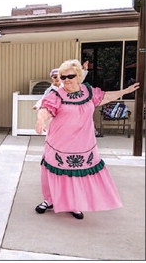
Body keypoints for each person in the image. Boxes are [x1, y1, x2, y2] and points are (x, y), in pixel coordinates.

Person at [34, 59, 140, 220]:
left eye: (70, 76)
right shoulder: (56, 94)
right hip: (59, 142)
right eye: (63, 77)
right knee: (53, 171)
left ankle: (73, 204)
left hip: (83, 143)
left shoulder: (89, 92)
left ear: (78, 75)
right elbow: (46, 109)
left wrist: (125, 91)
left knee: (77, 175)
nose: (66, 80)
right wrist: (40, 120)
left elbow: (105, 97)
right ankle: (49, 200)